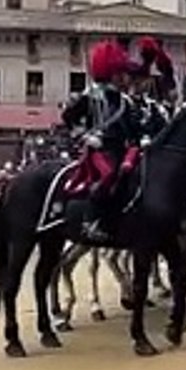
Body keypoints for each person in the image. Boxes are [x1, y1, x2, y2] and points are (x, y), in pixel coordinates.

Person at [62, 40, 144, 241]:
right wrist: (85, 136)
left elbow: (133, 129)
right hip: (100, 150)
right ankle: (90, 220)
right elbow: (68, 118)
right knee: (108, 175)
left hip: (122, 151)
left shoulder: (126, 101)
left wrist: (142, 140)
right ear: (114, 74)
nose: (127, 78)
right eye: (123, 73)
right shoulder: (91, 97)